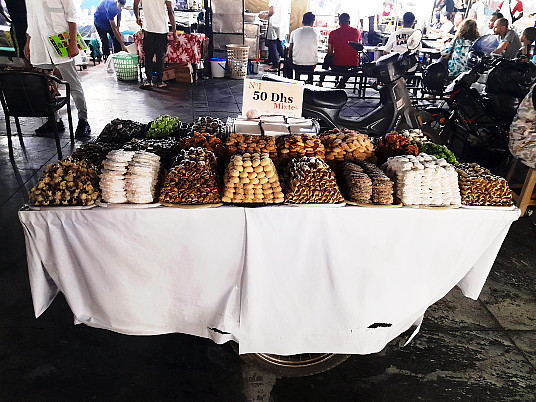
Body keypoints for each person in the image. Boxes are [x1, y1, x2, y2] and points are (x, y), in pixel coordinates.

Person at [23, 0, 91, 137]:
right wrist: (28, 42)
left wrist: (73, 43)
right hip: (40, 44)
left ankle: (83, 120)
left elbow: (72, 15)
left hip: (60, 41)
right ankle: (54, 119)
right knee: (45, 84)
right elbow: (31, 19)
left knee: (72, 83)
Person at [134, 0, 177, 88]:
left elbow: (135, 4)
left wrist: (137, 17)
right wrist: (174, 31)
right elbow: (170, 11)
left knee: (148, 55)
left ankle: (149, 80)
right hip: (162, 28)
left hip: (148, 27)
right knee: (160, 55)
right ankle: (159, 81)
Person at [325, 13, 361, 89]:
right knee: (350, 67)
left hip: (337, 65)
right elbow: (359, 46)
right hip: (353, 66)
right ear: (349, 21)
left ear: (339, 22)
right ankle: (342, 82)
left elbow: (330, 52)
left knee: (327, 58)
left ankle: (321, 80)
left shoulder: (333, 33)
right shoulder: (356, 32)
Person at [288, 12, 319, 84]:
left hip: (297, 64)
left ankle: (291, 81)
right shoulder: (316, 32)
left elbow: (290, 49)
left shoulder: (294, 32)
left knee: (288, 61)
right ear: (313, 22)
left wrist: (290, 57)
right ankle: (310, 80)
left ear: (302, 22)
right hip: (311, 64)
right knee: (311, 60)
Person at [260, 0, 291, 72]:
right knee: (278, 42)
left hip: (275, 22)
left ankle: (276, 64)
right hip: (283, 22)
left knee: (272, 42)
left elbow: (272, 11)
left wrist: (265, 15)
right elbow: (289, 11)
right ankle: (286, 62)